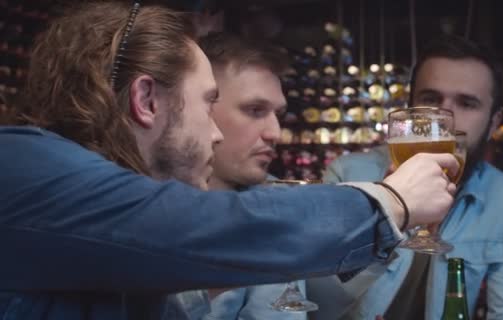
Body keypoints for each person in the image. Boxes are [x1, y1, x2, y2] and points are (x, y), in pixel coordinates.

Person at [0, 2, 460, 319]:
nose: (215, 131)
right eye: (207, 102)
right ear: (146, 100)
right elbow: (196, 226)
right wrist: (391, 200)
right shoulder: (20, 164)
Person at [307, 35, 503, 319]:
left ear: (493, 123)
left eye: (467, 103)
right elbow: (312, 304)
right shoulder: (348, 174)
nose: (442, 118)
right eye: (430, 99)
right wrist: (388, 212)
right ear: (409, 109)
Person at [189, 33, 305, 319]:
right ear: (201, 107)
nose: (275, 133)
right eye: (255, 110)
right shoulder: (134, 203)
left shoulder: (273, 208)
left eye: (279, 114)